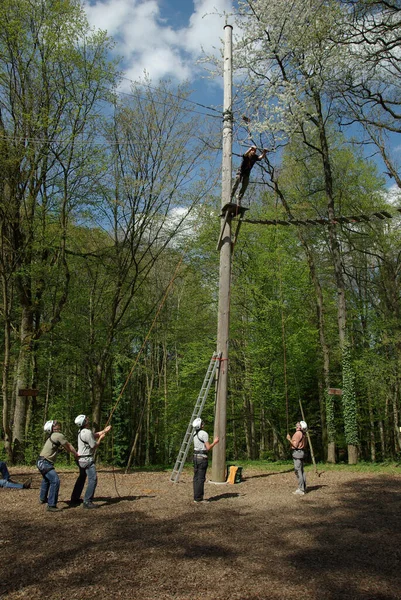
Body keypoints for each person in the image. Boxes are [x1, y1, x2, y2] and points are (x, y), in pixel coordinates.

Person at [70, 414, 111, 509]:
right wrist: (101, 439)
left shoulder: (81, 431)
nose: (88, 419)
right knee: (93, 479)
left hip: (81, 460)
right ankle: (87, 501)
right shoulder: (87, 432)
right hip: (87, 460)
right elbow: (94, 446)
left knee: (82, 478)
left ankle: (74, 498)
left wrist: (104, 431)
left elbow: (93, 435)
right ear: (84, 422)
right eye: (86, 419)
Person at [37, 420, 79, 512]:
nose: (58, 426)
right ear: (52, 428)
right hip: (45, 463)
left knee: (46, 479)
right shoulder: (58, 435)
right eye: (55, 425)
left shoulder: (52, 436)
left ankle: (42, 498)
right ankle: (51, 505)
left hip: (40, 461)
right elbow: (68, 445)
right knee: (55, 480)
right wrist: (76, 454)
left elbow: (64, 447)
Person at [192, 417, 219, 504]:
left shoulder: (194, 434)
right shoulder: (203, 434)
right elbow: (208, 448)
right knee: (200, 478)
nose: (203, 424)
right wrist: (215, 442)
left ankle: (196, 497)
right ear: (200, 425)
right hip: (202, 458)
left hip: (195, 458)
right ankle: (199, 498)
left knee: (196, 478)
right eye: (202, 423)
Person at [287, 420, 308, 496]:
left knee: (298, 471)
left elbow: (295, 445)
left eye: (298, 425)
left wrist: (289, 439)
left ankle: (301, 489)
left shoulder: (297, 434)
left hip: (297, 453)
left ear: (300, 427)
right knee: (302, 471)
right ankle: (304, 487)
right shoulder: (304, 434)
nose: (296, 425)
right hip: (302, 453)